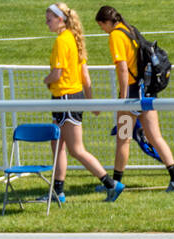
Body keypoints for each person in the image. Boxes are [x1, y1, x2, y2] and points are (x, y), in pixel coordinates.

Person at [94, 5, 174, 195]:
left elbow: (121, 67)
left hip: (132, 96)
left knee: (123, 138)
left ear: (105, 22)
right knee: (155, 137)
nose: (102, 30)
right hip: (146, 93)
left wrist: (123, 96)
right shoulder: (130, 29)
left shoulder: (116, 36)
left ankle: (116, 183)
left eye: (101, 26)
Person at [43, 5, 120, 202]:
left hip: (65, 98)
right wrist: (90, 100)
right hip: (69, 98)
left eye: (49, 18)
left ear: (60, 19)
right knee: (57, 143)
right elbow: (85, 75)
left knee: (76, 149)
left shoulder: (62, 41)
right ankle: (57, 191)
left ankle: (110, 184)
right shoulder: (74, 39)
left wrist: (46, 80)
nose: (46, 22)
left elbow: (57, 73)